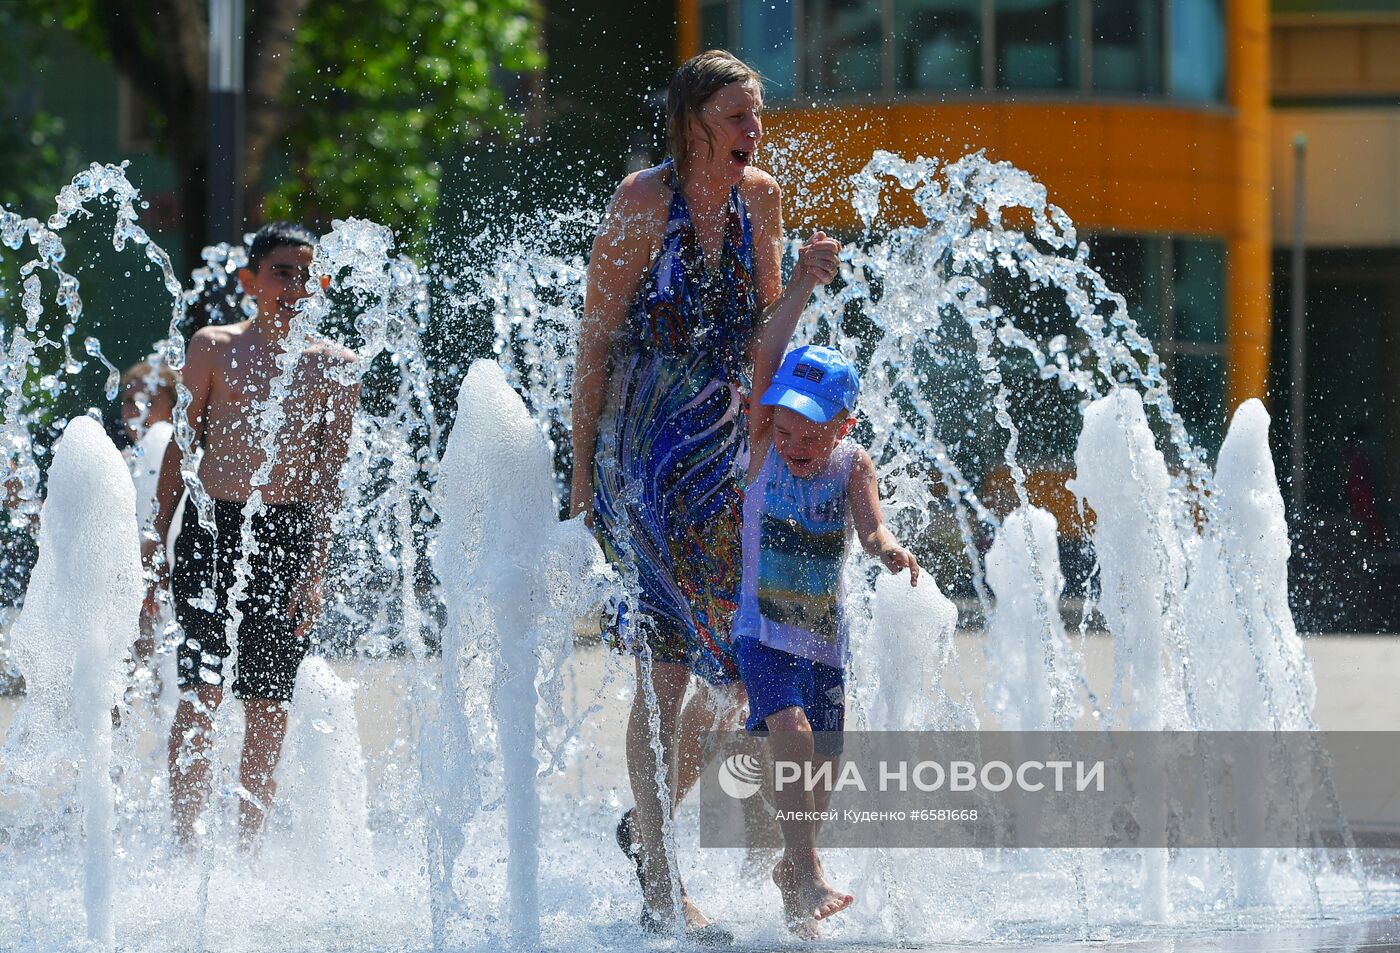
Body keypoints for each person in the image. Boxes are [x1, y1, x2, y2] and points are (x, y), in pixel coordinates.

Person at [569, 50, 840, 937]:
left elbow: (765, 333)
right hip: (642, 459)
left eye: (756, 116)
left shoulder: (758, 197)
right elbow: (596, 345)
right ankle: (660, 889)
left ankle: (646, 832)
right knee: (668, 664)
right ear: (692, 122)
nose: (752, 133)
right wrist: (581, 475)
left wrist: (800, 287)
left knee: (734, 674)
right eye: (735, 117)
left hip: (724, 452)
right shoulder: (643, 203)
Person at [144, 221, 358, 848]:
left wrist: (315, 574)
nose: (295, 286)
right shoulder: (213, 346)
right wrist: (156, 539)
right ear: (250, 280)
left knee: (268, 700)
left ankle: (248, 847)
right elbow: (182, 451)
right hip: (213, 528)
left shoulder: (335, 366)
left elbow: (329, 480)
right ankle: (186, 843)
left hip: (287, 536)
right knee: (202, 687)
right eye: (281, 272)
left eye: (306, 274)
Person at [735, 343, 919, 939]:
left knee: (826, 763)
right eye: (785, 431)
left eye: (811, 437)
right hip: (761, 631)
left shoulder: (852, 465)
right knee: (793, 735)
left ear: (846, 426)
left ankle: (793, 881)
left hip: (822, 641)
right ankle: (808, 869)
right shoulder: (763, 451)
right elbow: (765, 356)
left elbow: (871, 528)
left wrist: (887, 549)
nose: (794, 448)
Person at [119, 358, 179, 703]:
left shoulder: (186, 458)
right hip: (136, 595)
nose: (136, 412)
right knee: (117, 686)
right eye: (130, 401)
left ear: (172, 406)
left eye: (149, 402)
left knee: (170, 692)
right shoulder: (125, 461)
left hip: (167, 590)